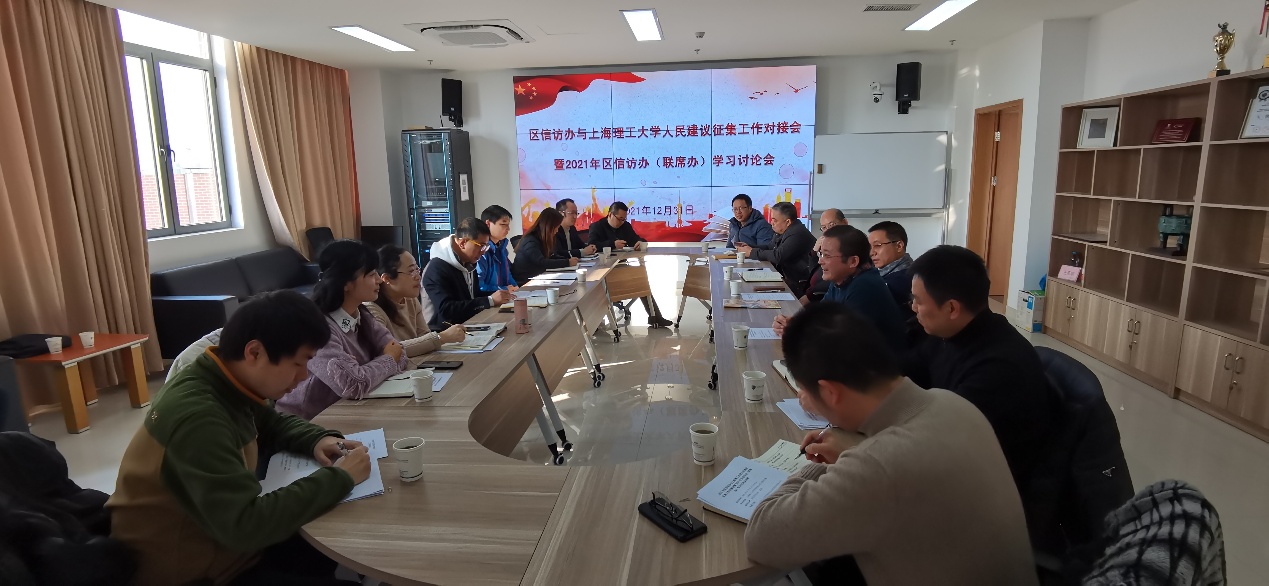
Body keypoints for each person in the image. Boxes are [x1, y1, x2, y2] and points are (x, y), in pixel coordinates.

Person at [744, 303, 1038, 586]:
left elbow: (761, 537)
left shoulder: (876, 468)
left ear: (830, 392)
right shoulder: (953, 402)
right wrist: (856, 447)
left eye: (805, 392)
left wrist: (815, 464)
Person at [108, 290, 372, 586]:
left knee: (338, 535)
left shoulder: (224, 379)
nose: (303, 377)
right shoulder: (199, 418)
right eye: (299, 364)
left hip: (222, 543)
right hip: (195, 573)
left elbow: (268, 422)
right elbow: (245, 526)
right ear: (254, 352)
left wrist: (315, 439)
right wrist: (340, 478)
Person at [904, 245, 1057, 505]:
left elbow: (937, 439)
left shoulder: (998, 367)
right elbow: (907, 370)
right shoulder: (951, 333)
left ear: (951, 308)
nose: (913, 308)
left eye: (918, 300)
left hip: (989, 494)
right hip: (952, 459)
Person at [276, 240, 409, 420]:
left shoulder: (362, 314)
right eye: (371, 274)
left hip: (352, 410)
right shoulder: (317, 327)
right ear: (346, 283)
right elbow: (352, 385)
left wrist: (367, 369)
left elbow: (400, 353)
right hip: (308, 421)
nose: (379, 280)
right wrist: (388, 358)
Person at [774, 225, 905, 353]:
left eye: (827, 255)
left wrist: (798, 332)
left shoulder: (865, 287)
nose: (820, 261)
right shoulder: (842, 278)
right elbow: (821, 315)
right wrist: (795, 324)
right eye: (821, 254)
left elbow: (842, 344)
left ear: (853, 261)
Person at [366, 245, 466, 367]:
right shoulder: (372, 309)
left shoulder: (410, 299)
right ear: (387, 278)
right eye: (411, 271)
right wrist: (442, 337)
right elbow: (390, 351)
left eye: (417, 269)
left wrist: (436, 339)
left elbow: (424, 337)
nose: (418, 276)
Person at [588, 202, 673, 328]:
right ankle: (596, 324)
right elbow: (592, 246)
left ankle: (655, 317)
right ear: (610, 215)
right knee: (635, 277)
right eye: (620, 219)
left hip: (620, 266)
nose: (622, 222)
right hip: (602, 270)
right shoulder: (597, 227)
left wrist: (640, 242)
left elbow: (636, 239)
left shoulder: (625, 226)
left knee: (640, 278)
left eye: (624, 219)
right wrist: (612, 244)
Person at [421, 217, 513, 331]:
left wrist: (500, 295)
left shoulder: (468, 261)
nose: (483, 252)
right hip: (443, 333)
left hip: (468, 324)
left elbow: (473, 296)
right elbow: (446, 310)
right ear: (463, 243)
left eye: (486, 246)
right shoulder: (436, 268)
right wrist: (490, 300)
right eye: (481, 246)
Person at [735, 201, 816, 297]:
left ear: (788, 222)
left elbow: (778, 256)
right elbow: (770, 247)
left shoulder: (797, 233)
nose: (772, 223)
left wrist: (751, 252)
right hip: (787, 278)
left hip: (799, 285)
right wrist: (749, 247)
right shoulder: (783, 230)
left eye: (775, 220)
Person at [513, 207, 578, 283]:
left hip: (538, 277)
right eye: (556, 227)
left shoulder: (541, 238)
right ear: (549, 226)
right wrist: (567, 262)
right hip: (525, 282)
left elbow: (551, 256)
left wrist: (567, 260)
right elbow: (541, 262)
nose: (557, 231)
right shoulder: (530, 241)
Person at [868, 221, 915, 320]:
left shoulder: (902, 280)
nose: (872, 253)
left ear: (899, 246)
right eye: (869, 247)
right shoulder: (882, 274)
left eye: (878, 245)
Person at [801, 209, 847, 305]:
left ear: (845, 222)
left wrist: (809, 295)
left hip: (818, 297)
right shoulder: (829, 244)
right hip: (813, 292)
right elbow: (814, 271)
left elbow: (835, 278)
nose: (828, 231)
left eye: (831, 225)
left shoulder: (850, 243)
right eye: (824, 227)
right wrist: (815, 251)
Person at [476, 205, 517, 294]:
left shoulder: (502, 247)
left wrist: (515, 286)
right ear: (488, 224)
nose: (508, 229)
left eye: (508, 224)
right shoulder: (480, 251)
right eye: (503, 224)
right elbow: (479, 287)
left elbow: (508, 275)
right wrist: (504, 289)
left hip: (506, 296)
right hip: (489, 299)